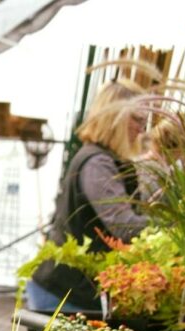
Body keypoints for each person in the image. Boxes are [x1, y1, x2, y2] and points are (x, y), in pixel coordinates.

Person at [29, 79, 149, 313]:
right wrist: (170, 227)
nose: (141, 129)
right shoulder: (98, 163)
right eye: (136, 119)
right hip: (64, 292)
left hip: (73, 290)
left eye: (144, 122)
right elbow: (125, 227)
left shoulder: (103, 159)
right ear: (114, 117)